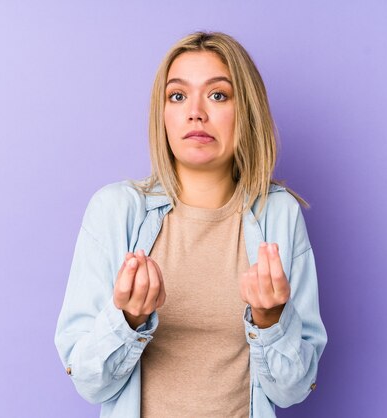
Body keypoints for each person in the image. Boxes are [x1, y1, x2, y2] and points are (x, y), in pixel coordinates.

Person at [54, 31, 327, 418]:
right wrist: (128, 321)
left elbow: (292, 391)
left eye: (218, 95)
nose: (195, 112)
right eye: (177, 96)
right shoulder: (115, 210)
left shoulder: (278, 214)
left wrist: (270, 321)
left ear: (245, 111)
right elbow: (88, 381)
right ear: (162, 113)